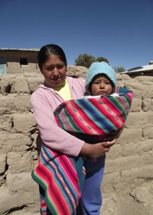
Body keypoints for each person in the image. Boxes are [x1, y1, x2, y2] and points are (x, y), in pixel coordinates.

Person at [31, 44, 115, 215]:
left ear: (66, 66)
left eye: (60, 66)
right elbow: (49, 132)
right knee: (66, 199)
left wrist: (114, 132)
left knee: (91, 196)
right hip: (63, 156)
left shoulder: (81, 84)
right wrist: (87, 149)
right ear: (41, 70)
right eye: (49, 68)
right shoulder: (40, 96)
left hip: (95, 154)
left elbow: (109, 102)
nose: (56, 72)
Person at [81, 61, 118, 215]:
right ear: (89, 86)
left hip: (100, 154)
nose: (102, 86)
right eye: (97, 82)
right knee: (78, 187)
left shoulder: (117, 102)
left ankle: (92, 212)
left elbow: (118, 123)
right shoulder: (83, 103)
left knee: (93, 187)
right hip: (80, 153)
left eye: (107, 82)